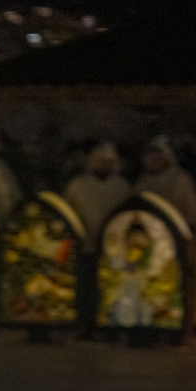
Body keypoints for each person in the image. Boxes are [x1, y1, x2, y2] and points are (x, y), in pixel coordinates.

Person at [63, 143, 132, 336]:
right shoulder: (78, 185)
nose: (103, 165)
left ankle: (109, 326)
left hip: (112, 248)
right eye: (99, 161)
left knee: (109, 287)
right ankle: (84, 324)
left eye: (108, 162)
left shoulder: (122, 187)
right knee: (85, 287)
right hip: (85, 245)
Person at [134, 137, 196, 228]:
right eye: (152, 158)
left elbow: (192, 209)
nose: (155, 161)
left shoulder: (181, 178)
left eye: (159, 157)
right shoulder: (143, 181)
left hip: (177, 228)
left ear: (167, 158)